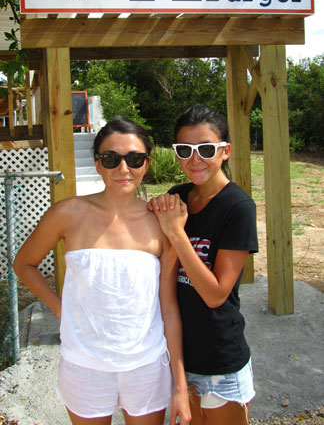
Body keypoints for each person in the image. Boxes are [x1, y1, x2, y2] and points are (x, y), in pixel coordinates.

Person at [14, 116, 191, 425]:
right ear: (97, 164)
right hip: (84, 365)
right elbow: (24, 264)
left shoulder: (161, 222)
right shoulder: (67, 213)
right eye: (111, 158)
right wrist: (61, 308)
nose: (123, 169)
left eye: (134, 159)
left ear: (146, 164)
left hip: (146, 364)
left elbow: (169, 307)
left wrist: (180, 385)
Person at [148, 105, 258, 425]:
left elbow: (215, 294)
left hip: (219, 358)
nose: (195, 159)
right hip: (179, 357)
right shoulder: (178, 197)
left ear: (225, 151)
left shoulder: (238, 207)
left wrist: (175, 232)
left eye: (206, 149)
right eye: (185, 149)